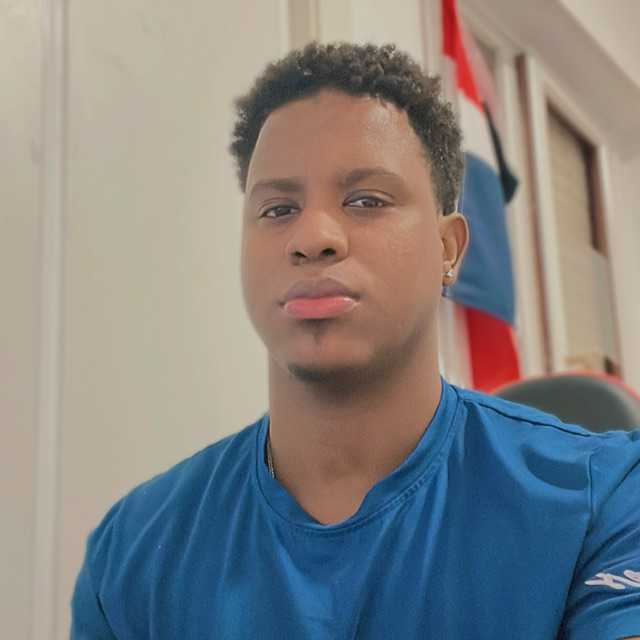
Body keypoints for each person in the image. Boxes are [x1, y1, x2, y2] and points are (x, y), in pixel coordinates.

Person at [70, 41, 640, 639]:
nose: (312, 237)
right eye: (278, 209)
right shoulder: (133, 549)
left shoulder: (604, 497)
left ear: (447, 249)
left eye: (366, 201)